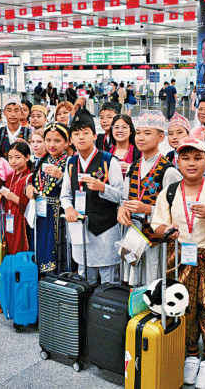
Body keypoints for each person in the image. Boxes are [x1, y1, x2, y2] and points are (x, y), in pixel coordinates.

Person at [150, 136, 205, 389]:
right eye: (185, 158)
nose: (191, 163)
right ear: (177, 162)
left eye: (197, 158)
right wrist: (166, 230)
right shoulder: (169, 192)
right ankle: (190, 355)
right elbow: (156, 225)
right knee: (184, 307)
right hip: (181, 257)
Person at [117, 110, 182, 286]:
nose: (140, 138)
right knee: (132, 284)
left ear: (161, 137)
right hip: (133, 237)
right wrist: (122, 209)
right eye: (138, 133)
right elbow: (124, 199)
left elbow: (176, 212)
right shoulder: (133, 167)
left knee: (152, 284)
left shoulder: (168, 171)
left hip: (156, 242)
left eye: (147, 133)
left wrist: (147, 210)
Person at [60, 108, 124, 283]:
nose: (81, 137)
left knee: (108, 279)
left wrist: (102, 187)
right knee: (83, 277)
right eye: (76, 133)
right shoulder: (71, 163)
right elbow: (65, 196)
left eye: (86, 133)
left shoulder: (109, 161)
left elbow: (122, 197)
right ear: (71, 140)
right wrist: (69, 208)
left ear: (95, 136)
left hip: (106, 230)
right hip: (81, 229)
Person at [26, 122, 71, 274]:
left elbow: (77, 189)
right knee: (39, 245)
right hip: (40, 213)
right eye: (48, 140)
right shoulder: (41, 160)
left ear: (67, 142)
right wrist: (29, 187)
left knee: (54, 250)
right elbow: (32, 180)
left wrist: (62, 177)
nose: (52, 145)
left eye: (57, 141)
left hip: (57, 214)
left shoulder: (70, 162)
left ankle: (55, 287)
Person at [0, 141, 33, 254]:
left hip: (22, 220)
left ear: (27, 157)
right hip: (10, 217)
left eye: (17, 157)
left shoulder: (30, 177)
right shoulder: (10, 176)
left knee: (21, 248)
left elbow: (31, 206)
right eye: (10, 157)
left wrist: (13, 197)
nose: (13, 161)